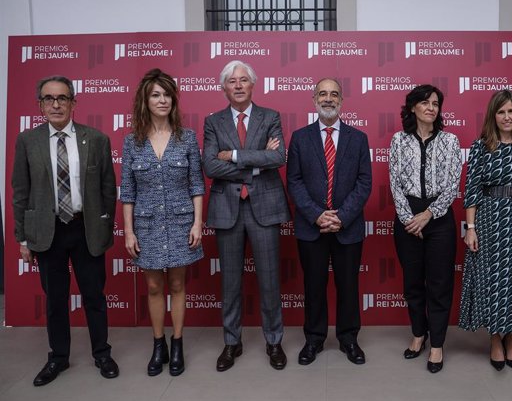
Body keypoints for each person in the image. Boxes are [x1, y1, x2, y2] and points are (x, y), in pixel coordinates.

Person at [12, 75, 119, 385]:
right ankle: (58, 357)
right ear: (40, 106)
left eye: (62, 98)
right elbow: (21, 191)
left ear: (74, 102)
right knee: (55, 300)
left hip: (85, 229)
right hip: (48, 232)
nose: (55, 104)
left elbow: (108, 189)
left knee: (94, 297)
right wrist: (22, 236)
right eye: (49, 99)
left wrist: (103, 223)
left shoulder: (96, 139)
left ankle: (102, 353)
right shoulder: (28, 141)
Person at [202, 60, 290, 371]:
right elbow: (211, 166)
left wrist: (236, 156)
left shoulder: (270, 117)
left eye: (243, 80)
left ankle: (274, 340)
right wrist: (257, 163)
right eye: (231, 81)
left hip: (264, 208)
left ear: (253, 85)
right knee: (230, 283)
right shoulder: (213, 121)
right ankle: (231, 342)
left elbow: (278, 157)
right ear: (223, 88)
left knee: (269, 280)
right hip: (227, 210)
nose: (238, 85)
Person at [120, 69, 205, 377]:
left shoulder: (188, 138)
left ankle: (178, 342)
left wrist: (197, 223)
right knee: (155, 287)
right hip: (147, 225)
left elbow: (197, 183)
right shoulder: (132, 142)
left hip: (181, 223)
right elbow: (127, 190)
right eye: (156, 94)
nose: (162, 100)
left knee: (178, 284)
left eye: (167, 94)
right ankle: (159, 345)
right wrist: (129, 231)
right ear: (145, 100)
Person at [458, 89, 512, 371]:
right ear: (493, 116)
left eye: (511, 111)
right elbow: (471, 191)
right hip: (489, 222)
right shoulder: (481, 147)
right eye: (501, 112)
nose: (506, 117)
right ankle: (496, 340)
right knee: (493, 283)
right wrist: (470, 228)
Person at [286, 78, 372, 366]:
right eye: (322, 93)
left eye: (334, 94)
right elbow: (294, 181)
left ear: (342, 101)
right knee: (313, 286)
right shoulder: (299, 137)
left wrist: (342, 217)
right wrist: (316, 214)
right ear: (313, 100)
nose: (328, 98)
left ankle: (349, 338)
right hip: (312, 227)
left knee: (348, 286)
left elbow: (364, 182)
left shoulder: (358, 138)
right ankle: (314, 339)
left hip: (348, 227)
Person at [388, 84, 462, 374]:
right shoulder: (398, 140)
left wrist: (428, 215)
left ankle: (437, 344)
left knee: (440, 284)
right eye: (425, 102)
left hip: (439, 219)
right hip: (407, 219)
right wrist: (410, 218)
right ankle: (419, 334)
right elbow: (394, 182)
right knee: (413, 284)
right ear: (413, 108)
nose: (431, 107)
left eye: (436, 103)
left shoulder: (451, 141)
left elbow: (453, 184)